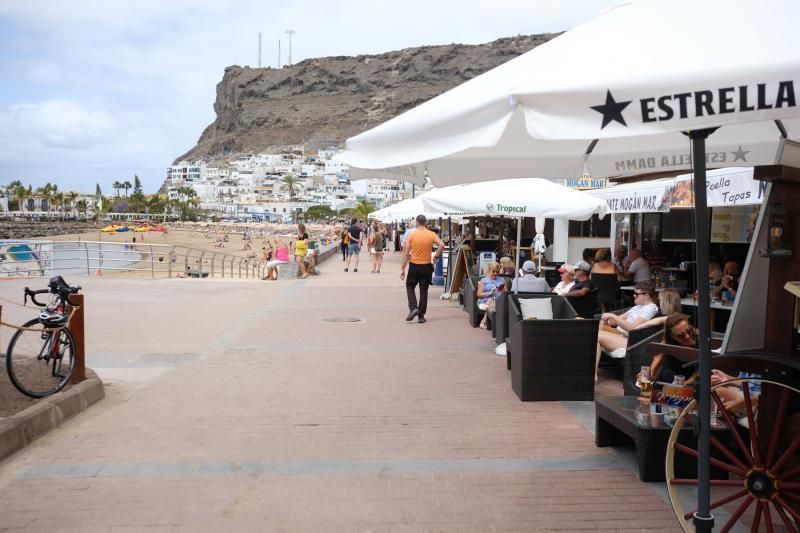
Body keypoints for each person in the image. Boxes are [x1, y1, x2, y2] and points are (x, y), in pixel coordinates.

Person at [594, 281, 659, 382]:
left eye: (637, 294)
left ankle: (593, 375)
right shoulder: (636, 307)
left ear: (646, 295)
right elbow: (615, 321)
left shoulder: (650, 309)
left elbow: (632, 328)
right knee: (582, 323)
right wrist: (606, 320)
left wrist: (612, 316)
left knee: (594, 335)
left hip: (630, 341)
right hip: (618, 334)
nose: (634, 296)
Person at [400, 214, 444, 324]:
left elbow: (406, 254)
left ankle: (413, 307)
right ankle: (421, 316)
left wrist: (402, 268)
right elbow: (442, 245)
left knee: (410, 286)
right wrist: (436, 256)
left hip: (414, 265)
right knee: (424, 290)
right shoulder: (431, 234)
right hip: (426, 266)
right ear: (425, 223)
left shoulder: (412, 235)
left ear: (416, 223)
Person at [476, 261, 507, 329]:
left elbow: (506, 292)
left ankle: (484, 321)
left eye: (497, 272)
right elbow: (478, 295)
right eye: (493, 271)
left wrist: (503, 291)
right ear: (489, 270)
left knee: (494, 301)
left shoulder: (502, 279)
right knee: (491, 300)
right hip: (486, 300)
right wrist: (490, 293)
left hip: (498, 300)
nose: (495, 273)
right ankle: (487, 322)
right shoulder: (483, 280)